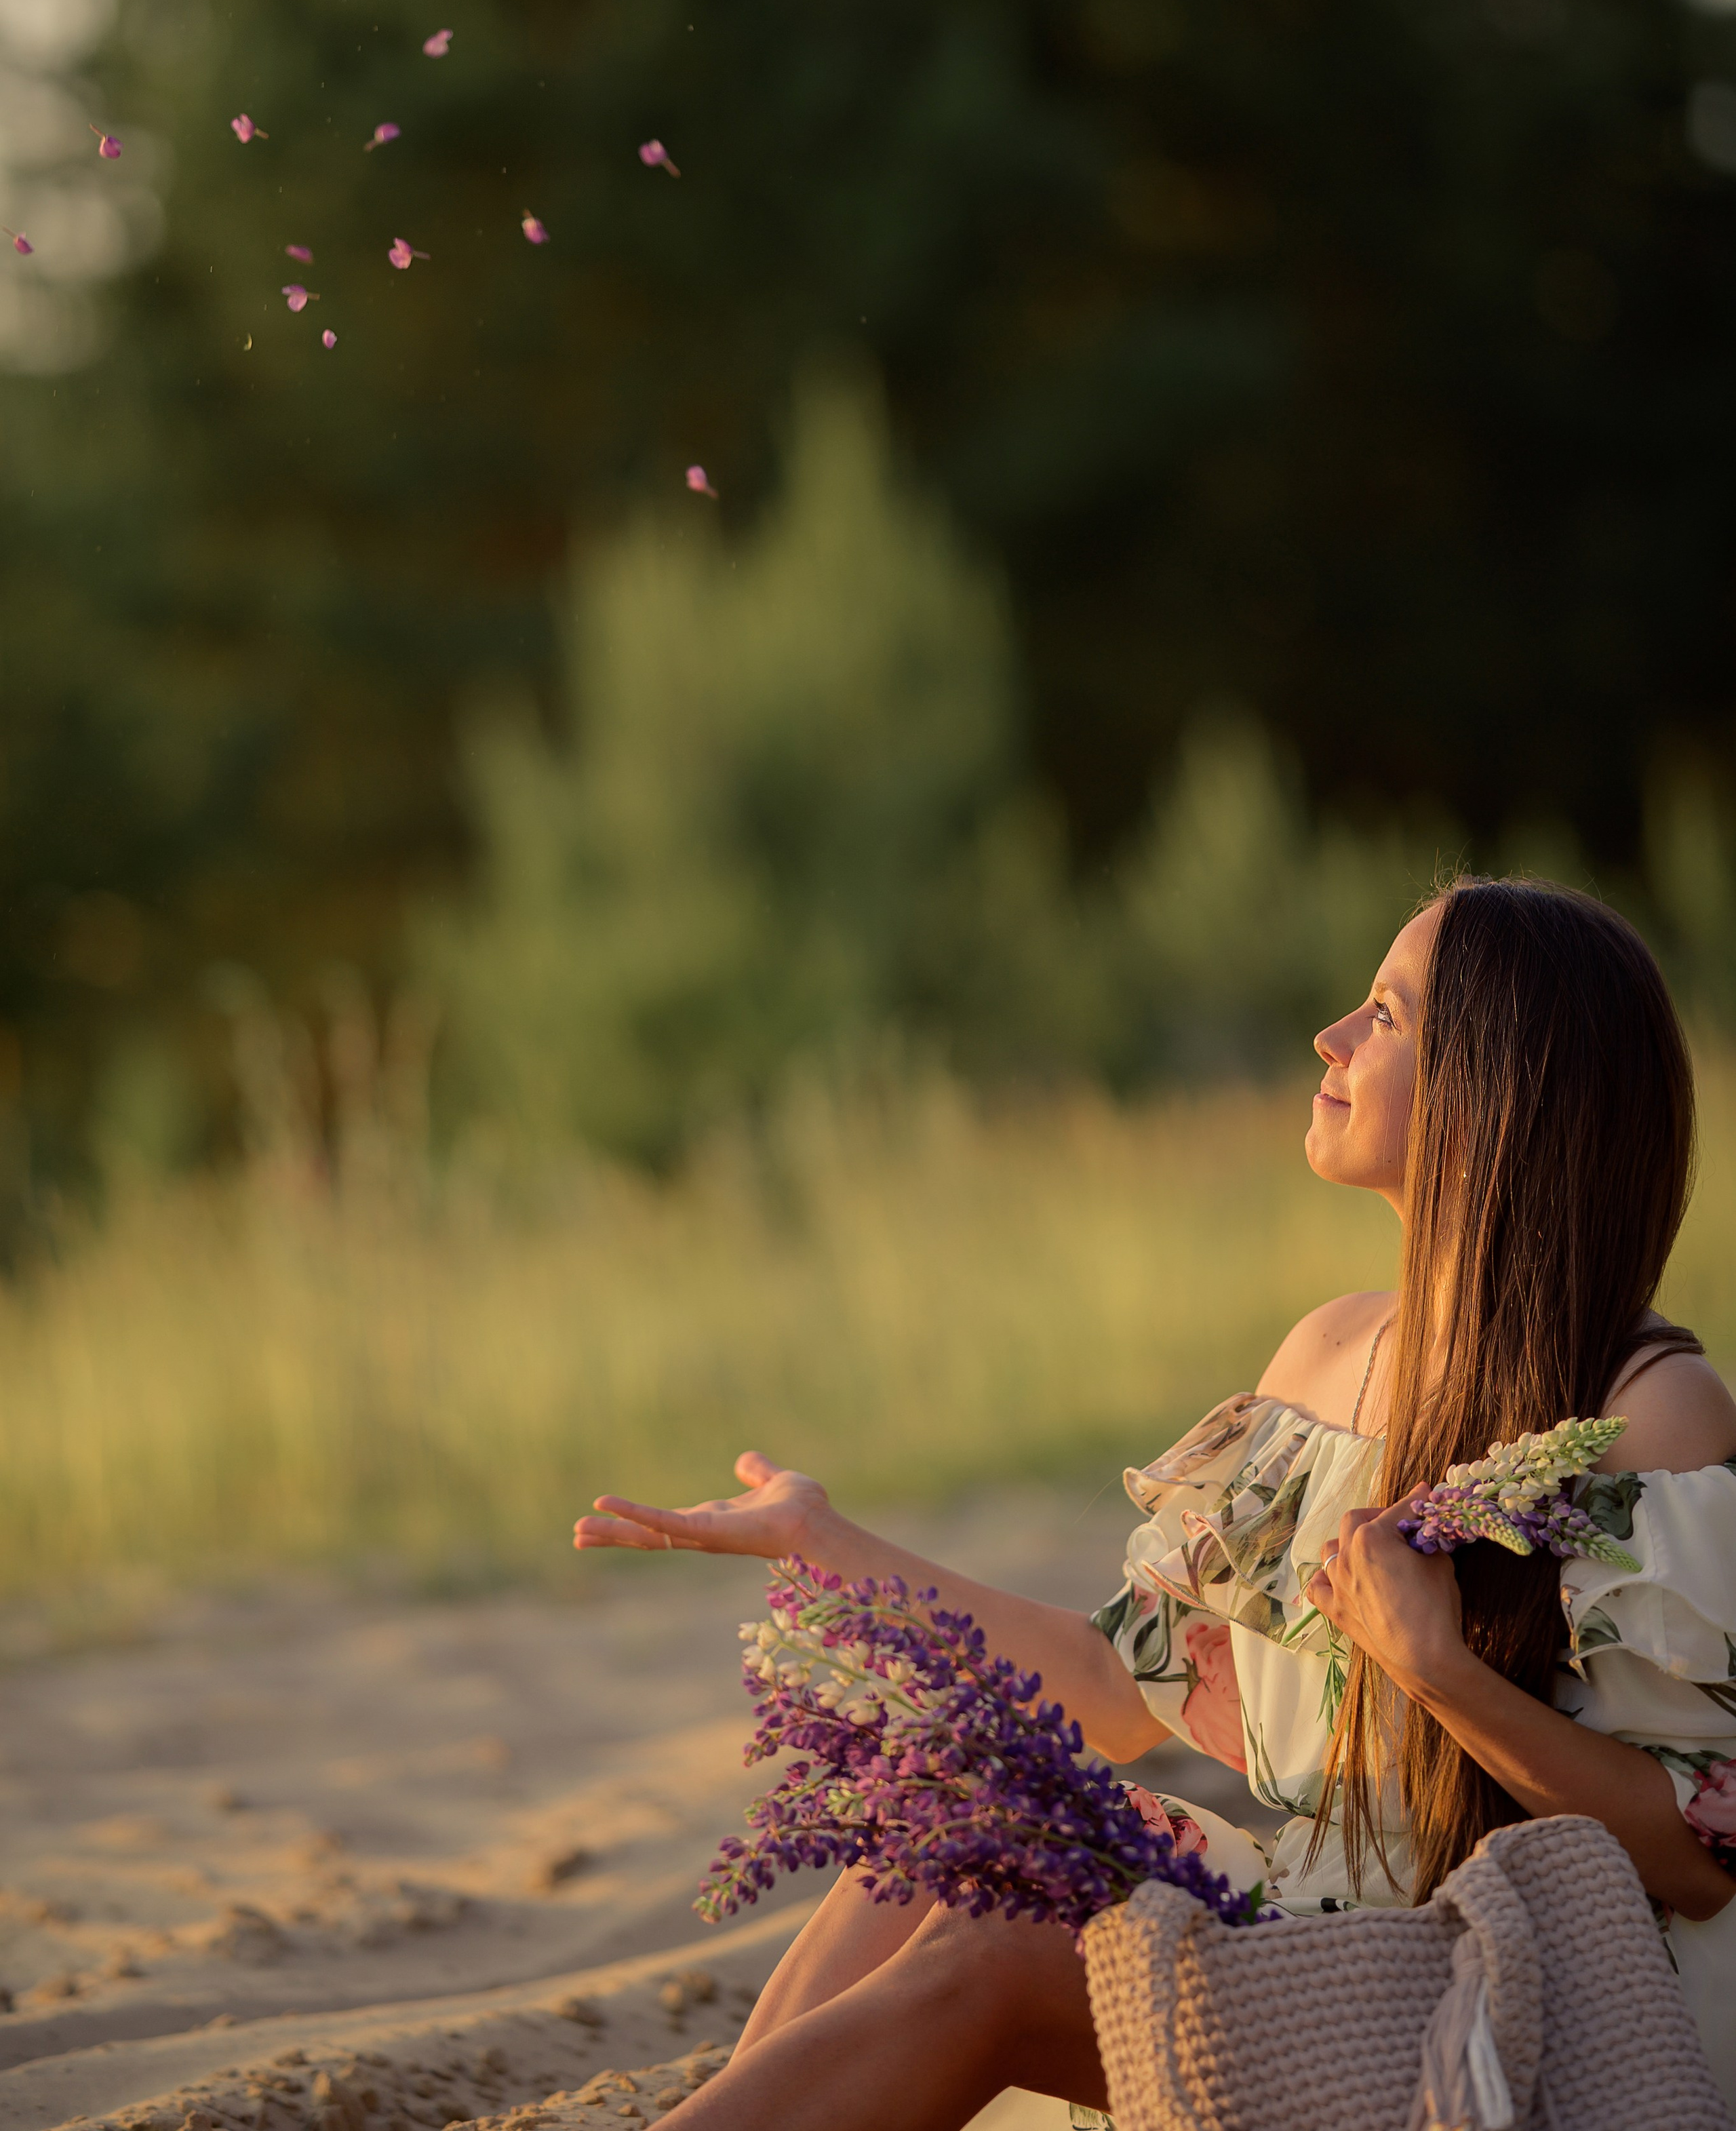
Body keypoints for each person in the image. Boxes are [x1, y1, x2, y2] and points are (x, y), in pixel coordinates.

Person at [574, 879, 1736, 2126]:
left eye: (1387, 1015)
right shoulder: (1325, 1359)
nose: (1331, 1037)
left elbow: (1695, 1860)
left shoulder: (1649, 1412)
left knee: (1002, 1953)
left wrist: (1439, 1669)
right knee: (955, 1820)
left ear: (1497, 1090)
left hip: (1511, 2005)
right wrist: (821, 1540)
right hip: (1318, 1928)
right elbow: (1114, 1687)